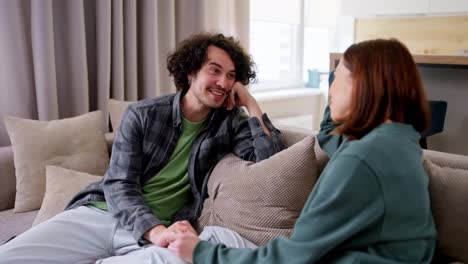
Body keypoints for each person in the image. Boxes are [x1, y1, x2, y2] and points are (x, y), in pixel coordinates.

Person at [0, 32, 284, 263]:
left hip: (165, 233)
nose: (224, 82)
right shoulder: (144, 114)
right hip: (103, 215)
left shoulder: (230, 122)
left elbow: (270, 160)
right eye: (215, 71)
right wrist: (156, 232)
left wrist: (251, 103)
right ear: (190, 72)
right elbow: (119, 185)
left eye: (232, 76)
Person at [166, 38, 437, 263]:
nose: (330, 88)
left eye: (337, 77)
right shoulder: (399, 144)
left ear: (363, 84)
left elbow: (292, 258)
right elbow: (330, 132)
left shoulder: (362, 158)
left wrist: (201, 253)